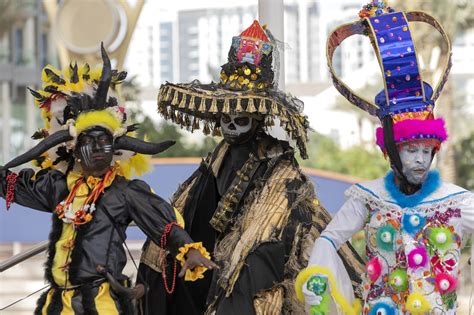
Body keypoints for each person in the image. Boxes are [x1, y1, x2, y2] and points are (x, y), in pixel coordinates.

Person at [137, 20, 365, 315]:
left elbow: (271, 235)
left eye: (241, 119)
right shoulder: (213, 164)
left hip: (261, 260)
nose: (231, 127)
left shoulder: (280, 172)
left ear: (257, 120)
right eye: (225, 119)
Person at [0, 45, 216, 314]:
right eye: (89, 142)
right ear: (75, 150)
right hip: (58, 305)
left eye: (105, 142)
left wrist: (189, 250)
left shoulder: (125, 192)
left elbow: (165, 227)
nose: (99, 148)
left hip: (102, 303)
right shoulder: (57, 186)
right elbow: (11, 184)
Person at [296, 2, 474, 314]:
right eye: (409, 150)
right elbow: (328, 240)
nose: (419, 160)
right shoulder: (368, 198)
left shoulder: (458, 202)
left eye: (426, 150)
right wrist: (320, 286)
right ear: (390, 150)